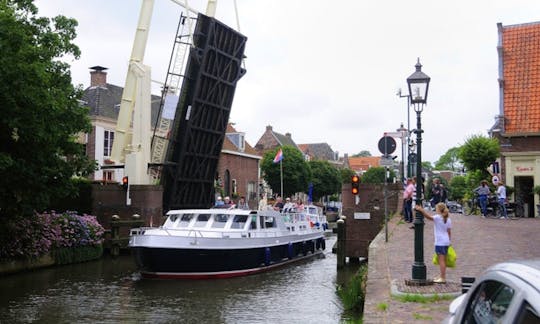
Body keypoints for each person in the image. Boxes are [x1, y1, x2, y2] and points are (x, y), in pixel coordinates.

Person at [415, 202, 452, 284]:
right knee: (443, 260)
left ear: (439, 209)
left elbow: (428, 217)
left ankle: (443, 277)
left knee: (441, 261)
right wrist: (449, 241)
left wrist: (421, 210)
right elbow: (449, 232)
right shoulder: (448, 219)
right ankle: (441, 276)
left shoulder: (438, 217)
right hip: (446, 241)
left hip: (440, 242)